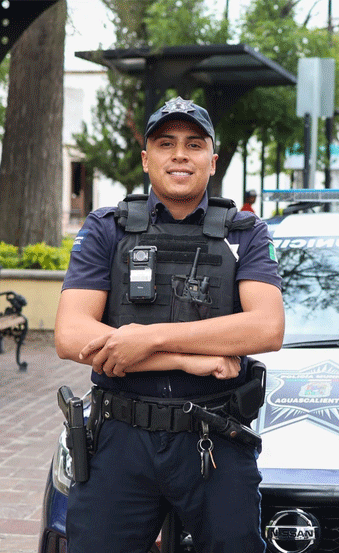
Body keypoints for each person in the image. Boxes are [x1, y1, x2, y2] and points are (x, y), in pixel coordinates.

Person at [54, 96, 284, 553]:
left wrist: (149, 338)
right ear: (147, 159)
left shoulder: (245, 233)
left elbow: (266, 328)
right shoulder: (107, 229)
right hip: (120, 436)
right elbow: (71, 336)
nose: (180, 154)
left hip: (213, 437)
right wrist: (187, 359)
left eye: (194, 144)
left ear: (212, 161)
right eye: (166, 143)